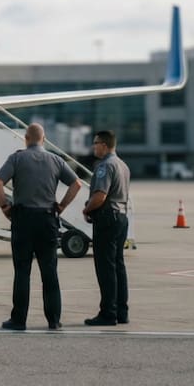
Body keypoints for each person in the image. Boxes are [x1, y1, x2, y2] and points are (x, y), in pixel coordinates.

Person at [0, 123, 83, 331]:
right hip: (47, 219)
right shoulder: (56, 160)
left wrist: (4, 205)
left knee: (22, 271)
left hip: (23, 219)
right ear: (44, 139)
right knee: (49, 271)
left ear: (26, 138)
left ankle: (19, 320)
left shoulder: (16, 158)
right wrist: (62, 206)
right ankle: (54, 320)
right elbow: (76, 184)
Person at [82, 130, 130, 326]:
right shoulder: (123, 165)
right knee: (118, 265)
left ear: (104, 145)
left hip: (107, 218)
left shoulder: (105, 166)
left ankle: (108, 313)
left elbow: (100, 195)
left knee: (105, 267)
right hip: (121, 216)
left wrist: (87, 209)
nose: (94, 146)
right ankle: (121, 311)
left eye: (95, 143)